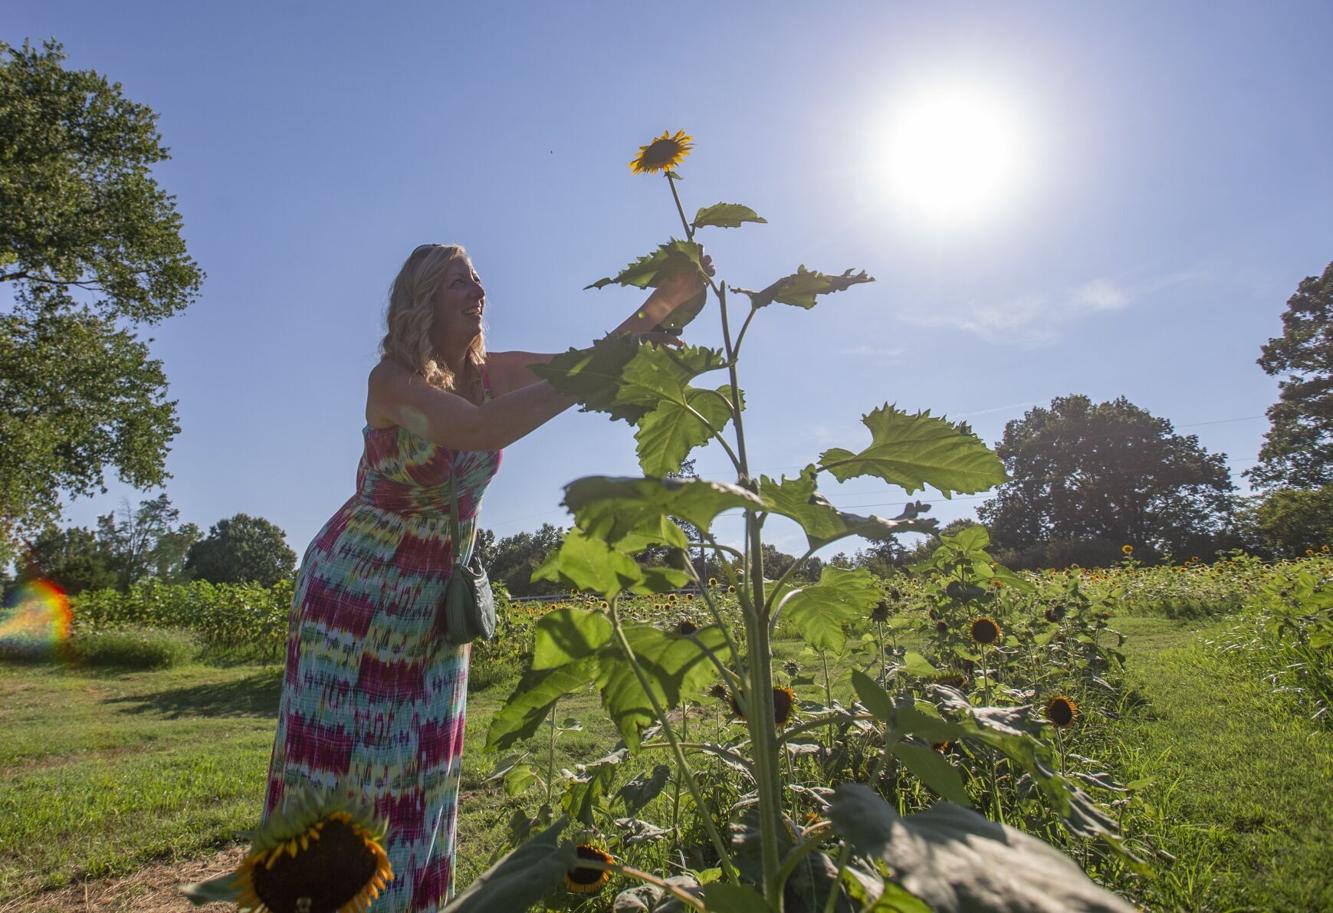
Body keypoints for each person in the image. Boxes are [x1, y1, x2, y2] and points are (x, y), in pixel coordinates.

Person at [261, 242, 708, 910]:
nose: (476, 289)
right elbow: (481, 429)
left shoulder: (489, 370)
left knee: (421, 775)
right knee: (343, 773)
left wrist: (664, 304)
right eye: (454, 282)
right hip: (356, 600)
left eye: (475, 278)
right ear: (420, 304)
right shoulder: (393, 382)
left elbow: (586, 366)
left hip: (435, 607)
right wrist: (598, 368)